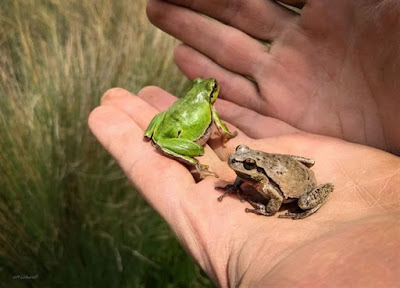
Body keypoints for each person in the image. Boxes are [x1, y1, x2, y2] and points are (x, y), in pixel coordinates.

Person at [89, 0, 400, 286]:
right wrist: (237, 174)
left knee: (301, 203)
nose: (238, 164)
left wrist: (264, 209)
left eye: (246, 164)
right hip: (244, 154)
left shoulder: (264, 182)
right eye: (241, 158)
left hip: (290, 184)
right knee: (223, 154)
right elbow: (230, 145)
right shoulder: (219, 125)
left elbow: (275, 199)